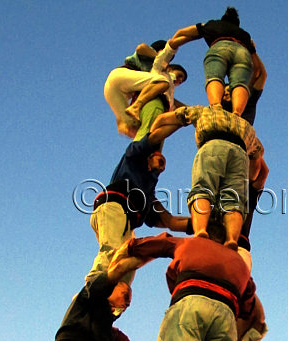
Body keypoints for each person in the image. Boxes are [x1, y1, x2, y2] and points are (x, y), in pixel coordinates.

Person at [112, 222, 254, 341]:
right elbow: (248, 304)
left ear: (204, 234)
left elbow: (161, 243)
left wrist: (131, 247)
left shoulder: (191, 244)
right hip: (225, 315)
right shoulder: (239, 262)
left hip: (190, 303)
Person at [88, 113, 193, 286]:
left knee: (127, 264)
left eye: (164, 165)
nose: (162, 166)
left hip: (126, 220)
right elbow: (155, 137)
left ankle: (115, 301)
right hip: (113, 207)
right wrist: (185, 118)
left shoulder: (147, 195)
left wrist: (202, 225)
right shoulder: (133, 158)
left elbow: (171, 222)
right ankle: (94, 287)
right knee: (111, 252)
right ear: (149, 157)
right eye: (160, 160)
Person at [35, 251, 155, 341]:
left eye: (129, 302)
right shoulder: (89, 299)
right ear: (111, 288)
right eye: (125, 294)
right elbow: (116, 271)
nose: (128, 302)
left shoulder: (109, 337)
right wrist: (149, 252)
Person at [149, 104, 263, 250]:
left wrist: (152, 141)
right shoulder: (247, 127)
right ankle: (231, 239)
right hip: (240, 153)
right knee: (233, 200)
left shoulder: (206, 111)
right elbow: (256, 166)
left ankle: (201, 231)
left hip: (213, 144)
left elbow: (165, 118)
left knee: (203, 189)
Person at [162, 7, 257, 115]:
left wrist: (171, 48)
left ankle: (216, 106)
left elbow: (182, 32)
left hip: (219, 47)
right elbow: (256, 62)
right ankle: (237, 113)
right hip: (243, 52)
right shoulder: (245, 35)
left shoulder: (213, 24)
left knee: (215, 77)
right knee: (240, 84)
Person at [104, 39, 188, 138]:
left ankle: (127, 125)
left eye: (181, 81)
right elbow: (141, 48)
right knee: (162, 82)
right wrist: (160, 57)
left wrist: (191, 109)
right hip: (121, 75)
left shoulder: (151, 81)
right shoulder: (156, 63)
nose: (179, 80)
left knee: (132, 125)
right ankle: (136, 106)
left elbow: (171, 100)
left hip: (114, 90)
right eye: (179, 75)